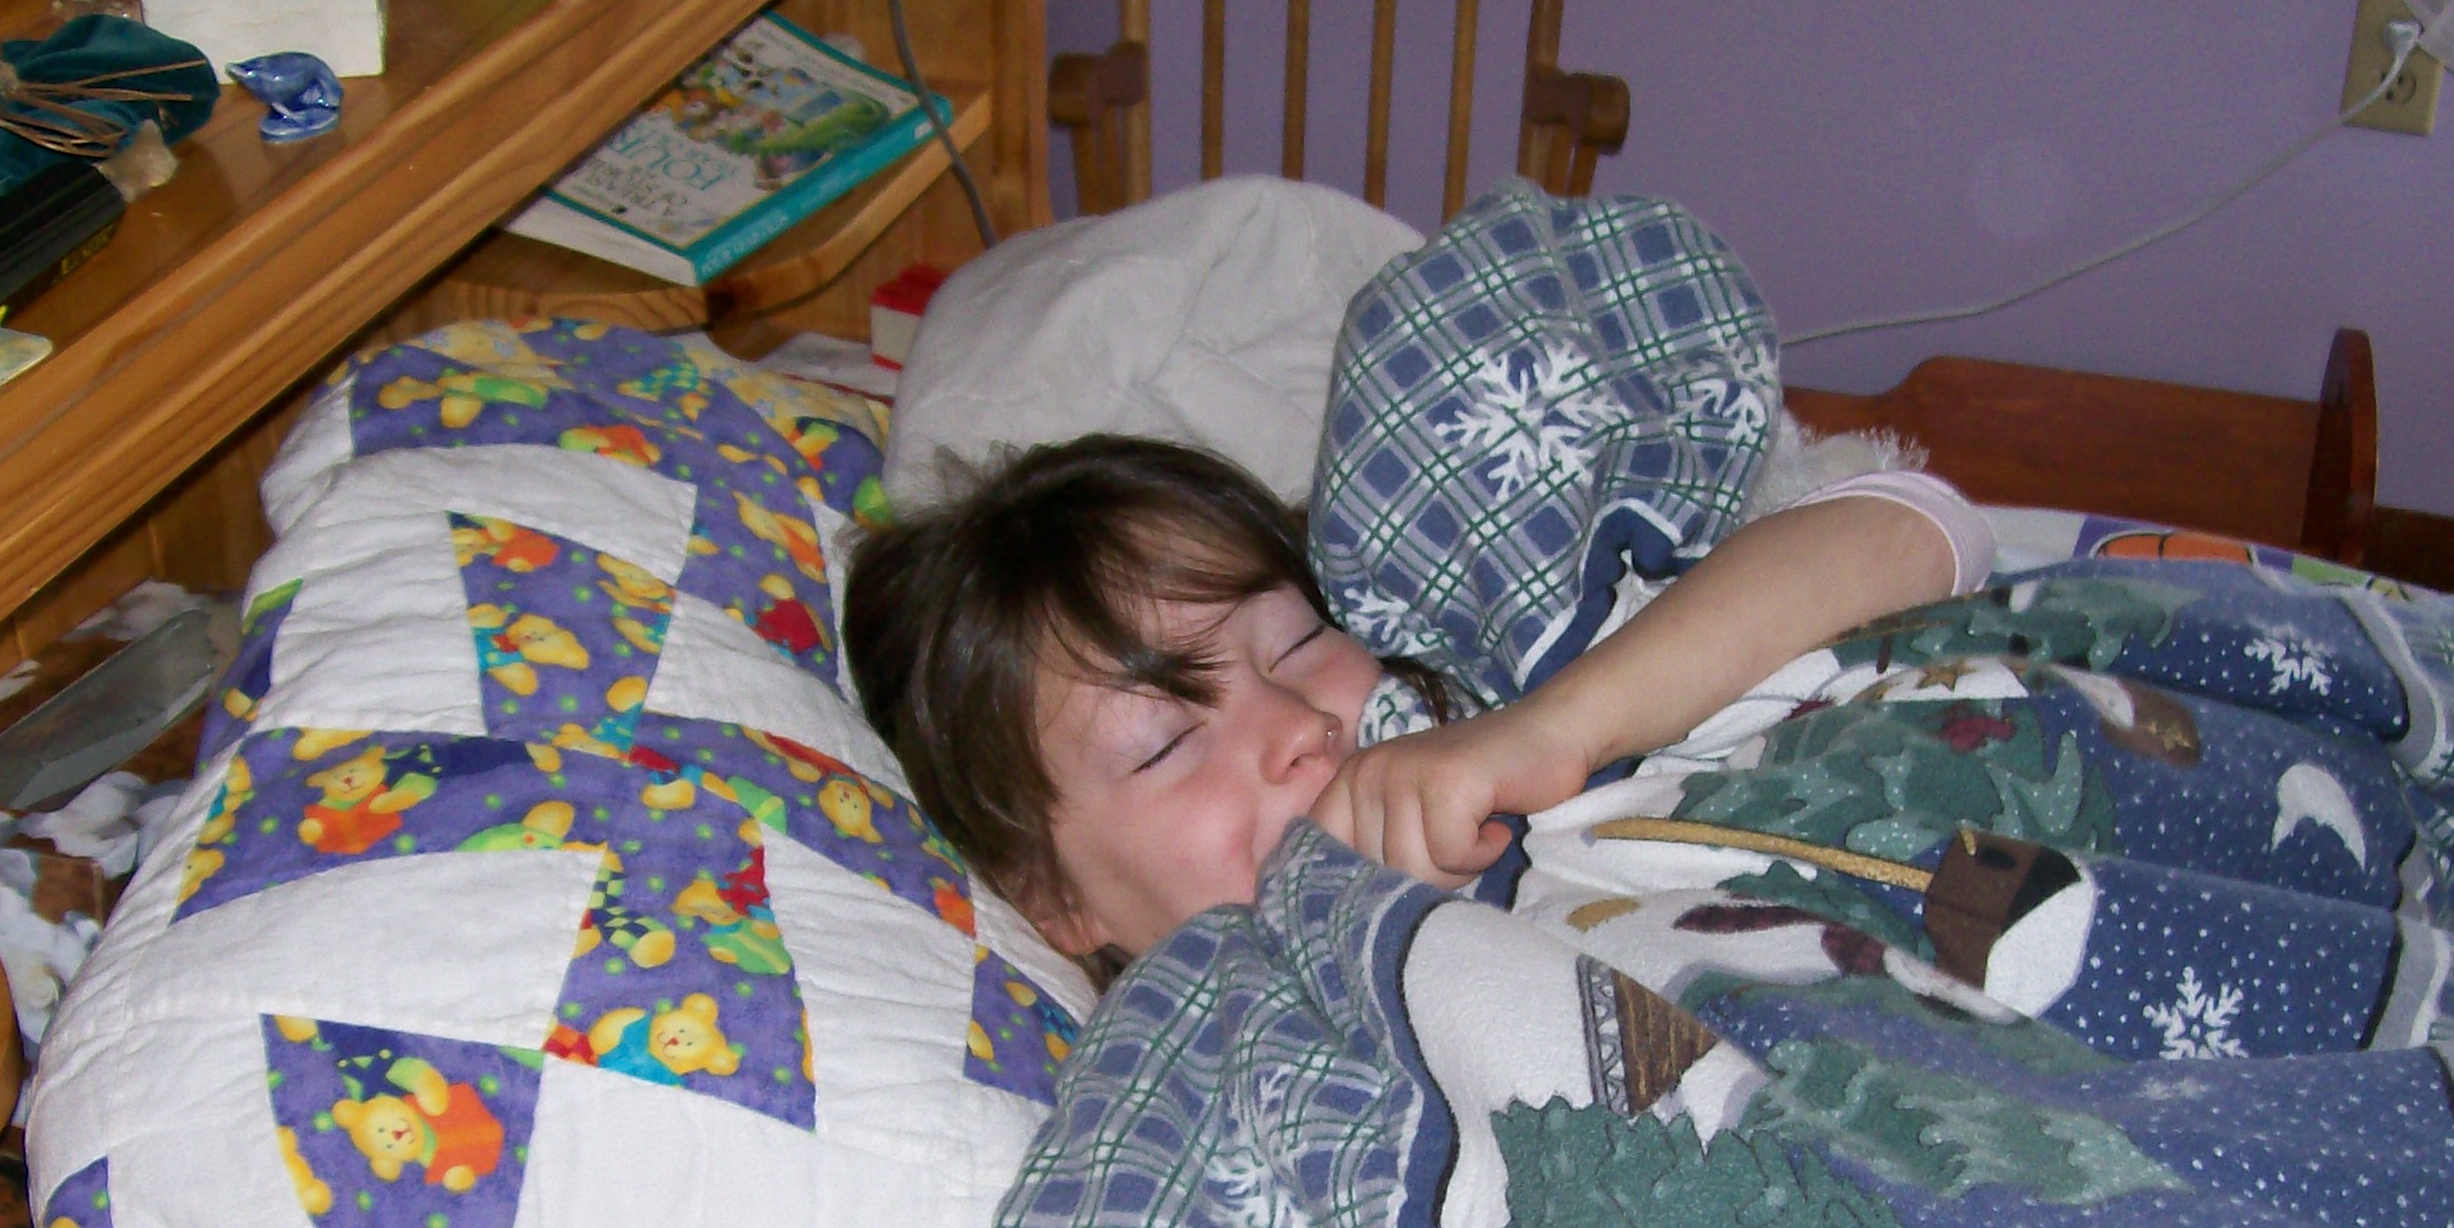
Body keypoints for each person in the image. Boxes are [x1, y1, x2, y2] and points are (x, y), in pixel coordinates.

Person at [844, 432, 1992, 968]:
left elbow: (1925, 526)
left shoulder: (1527, 686)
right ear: (1057, 903)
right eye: (1164, 744)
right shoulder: (1215, 1059)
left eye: (1298, 643)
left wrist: (1557, 726)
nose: (1298, 726)